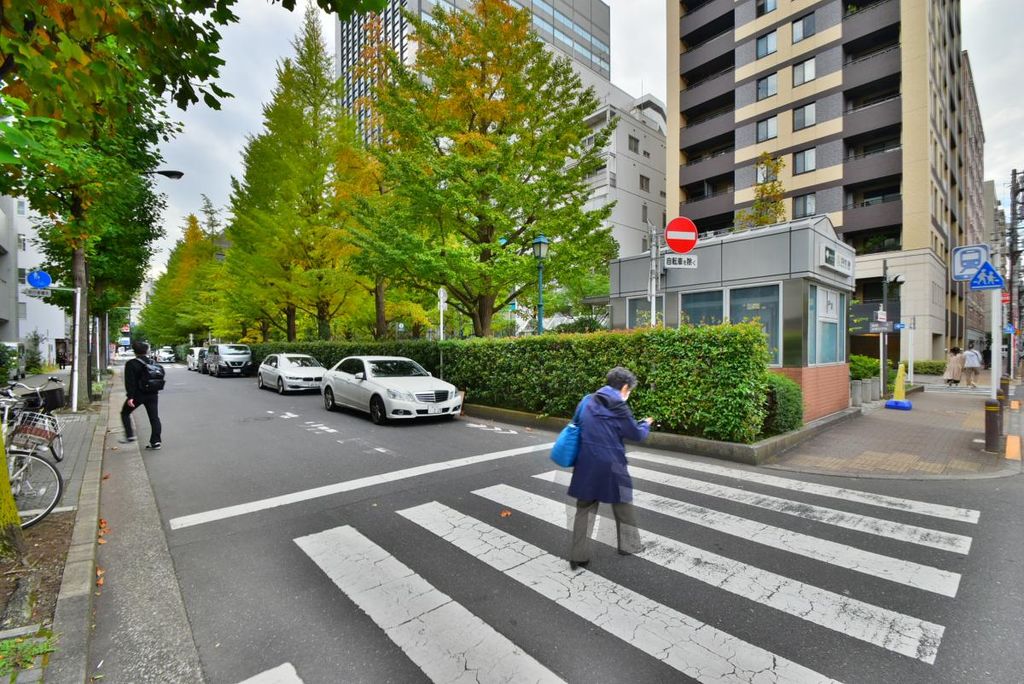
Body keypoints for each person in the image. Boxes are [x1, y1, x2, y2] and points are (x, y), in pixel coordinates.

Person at [567, 366, 654, 571]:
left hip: (586, 462)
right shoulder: (619, 406)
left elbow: (577, 424)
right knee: (623, 502)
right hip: (612, 464)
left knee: (584, 507)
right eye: (629, 390)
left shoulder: (587, 400)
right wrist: (645, 424)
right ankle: (629, 545)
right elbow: (636, 434)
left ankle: (578, 555)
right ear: (624, 388)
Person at [120, 341, 162, 450]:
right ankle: (156, 441)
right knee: (154, 417)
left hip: (138, 395)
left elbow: (130, 382)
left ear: (134, 351)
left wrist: (130, 397)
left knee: (125, 413)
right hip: (152, 394)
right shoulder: (152, 362)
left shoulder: (131, 364)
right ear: (146, 351)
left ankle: (130, 435)